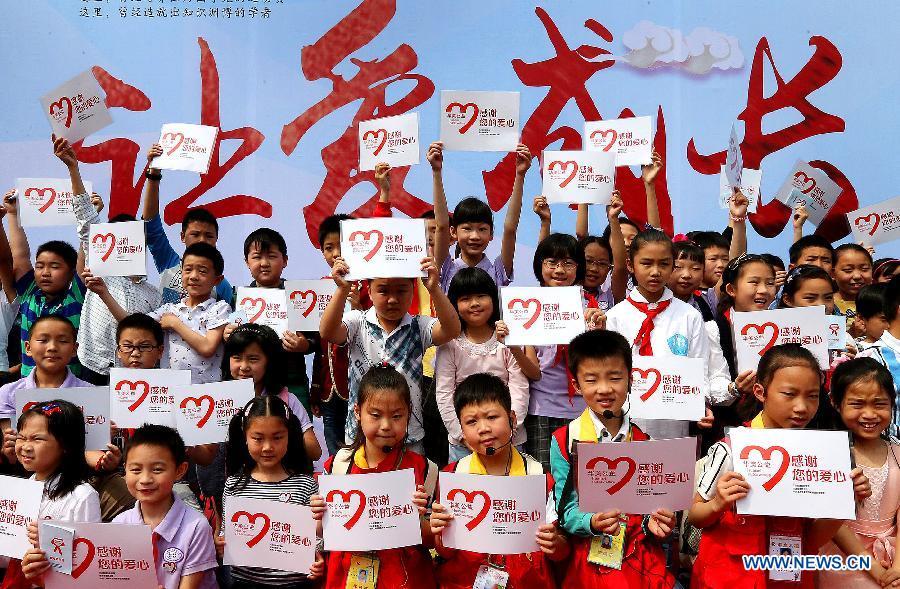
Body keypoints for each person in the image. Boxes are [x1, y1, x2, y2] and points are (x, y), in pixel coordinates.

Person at [689, 344, 871, 588]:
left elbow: (812, 539)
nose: (802, 407)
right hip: (730, 577)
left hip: (789, 578)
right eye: (789, 394)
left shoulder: (819, 455)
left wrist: (845, 501)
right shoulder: (732, 448)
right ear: (760, 392)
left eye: (812, 396)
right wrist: (718, 504)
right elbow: (695, 516)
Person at [550, 329, 676, 588]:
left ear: (630, 379)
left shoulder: (645, 442)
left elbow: (650, 507)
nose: (605, 389)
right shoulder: (565, 441)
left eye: (615, 378)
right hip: (587, 559)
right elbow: (565, 511)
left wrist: (655, 521)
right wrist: (591, 522)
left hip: (638, 560)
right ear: (576, 385)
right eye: (592, 380)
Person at [430, 373, 568, 588]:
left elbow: (560, 552)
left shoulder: (537, 476)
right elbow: (446, 553)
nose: (483, 428)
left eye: (492, 417)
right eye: (471, 421)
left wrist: (554, 543)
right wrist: (439, 533)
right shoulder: (454, 478)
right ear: (462, 432)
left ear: (512, 419)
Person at [319, 249, 460, 452]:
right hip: (361, 435)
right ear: (369, 291)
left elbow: (452, 330)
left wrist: (434, 289)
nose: (392, 299)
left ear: (413, 291)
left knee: (411, 484)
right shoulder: (357, 322)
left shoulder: (419, 326)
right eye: (383, 290)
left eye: (401, 291)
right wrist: (342, 290)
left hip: (409, 435)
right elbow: (328, 331)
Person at [310, 365, 437, 589]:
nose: (386, 426)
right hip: (346, 576)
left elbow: (431, 540)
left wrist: (416, 519)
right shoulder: (339, 466)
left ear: (409, 412)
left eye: (397, 416)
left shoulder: (425, 470)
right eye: (376, 415)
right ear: (358, 412)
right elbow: (323, 531)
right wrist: (318, 517)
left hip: (405, 580)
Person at [605, 228, 712, 439]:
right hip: (625, 420)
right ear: (630, 265)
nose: (655, 272)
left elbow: (700, 367)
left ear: (673, 266)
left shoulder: (689, 316)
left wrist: (702, 403)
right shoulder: (615, 316)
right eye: (646, 263)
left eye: (664, 264)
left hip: (674, 422)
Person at [217, 395, 324, 587]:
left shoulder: (305, 484)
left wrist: (317, 558)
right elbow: (227, 533)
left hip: (294, 584)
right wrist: (222, 545)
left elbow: (316, 537)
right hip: (245, 583)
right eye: (258, 438)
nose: (268, 447)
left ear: (289, 436)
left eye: (277, 437)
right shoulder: (234, 484)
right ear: (245, 437)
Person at [87, 242, 231, 384]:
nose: (193, 276)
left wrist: (176, 324)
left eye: (203, 271)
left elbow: (207, 347)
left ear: (217, 279)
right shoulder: (169, 309)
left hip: (206, 390)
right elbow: (132, 324)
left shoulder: (219, 308)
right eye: (188, 270)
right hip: (170, 388)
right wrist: (104, 293)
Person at [819, 358, 900, 588]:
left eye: (879, 404)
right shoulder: (829, 454)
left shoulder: (897, 452)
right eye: (857, 404)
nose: (869, 414)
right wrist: (874, 570)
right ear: (836, 403)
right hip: (844, 559)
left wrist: (896, 569)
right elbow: (833, 523)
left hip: (893, 557)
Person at [435, 267, 528, 462]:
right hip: (463, 444)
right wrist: (463, 434)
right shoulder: (449, 344)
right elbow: (444, 394)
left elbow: (519, 387)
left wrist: (510, 428)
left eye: (481, 296)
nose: (475, 304)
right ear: (454, 304)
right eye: (465, 298)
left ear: (494, 299)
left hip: (509, 439)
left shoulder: (507, 338)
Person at [225, 227, 317, 414]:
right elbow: (236, 340)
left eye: (272, 257)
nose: (264, 263)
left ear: (285, 261)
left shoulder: (299, 297)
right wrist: (228, 335)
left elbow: (316, 339)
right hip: (249, 381)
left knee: (297, 431)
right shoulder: (239, 298)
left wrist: (304, 345)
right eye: (257, 257)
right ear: (247, 262)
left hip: (291, 377)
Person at [114, 424, 218, 589]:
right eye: (135, 469)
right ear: (125, 468)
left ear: (180, 470)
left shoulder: (196, 527)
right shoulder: (119, 525)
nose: (145, 479)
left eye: (157, 469)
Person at [16, 400, 102, 586]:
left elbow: (88, 563)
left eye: (37, 439)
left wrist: (50, 541)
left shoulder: (82, 496)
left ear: (65, 445)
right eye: (21, 438)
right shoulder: (19, 491)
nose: (25, 446)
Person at [141, 143, 233, 304]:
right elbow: (151, 224)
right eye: (195, 234)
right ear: (183, 236)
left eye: (209, 236)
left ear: (216, 239)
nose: (202, 240)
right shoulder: (168, 262)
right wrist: (154, 172)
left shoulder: (221, 285)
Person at [223, 323, 321, 460]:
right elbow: (206, 456)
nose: (244, 367)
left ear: (270, 362)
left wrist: (280, 433)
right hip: (238, 478)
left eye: (253, 359)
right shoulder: (220, 400)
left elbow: (315, 452)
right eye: (237, 358)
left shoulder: (287, 399)